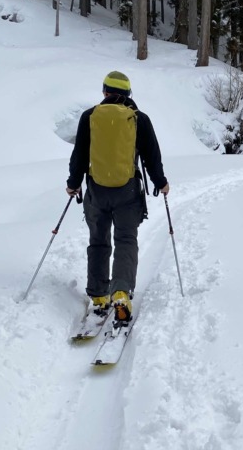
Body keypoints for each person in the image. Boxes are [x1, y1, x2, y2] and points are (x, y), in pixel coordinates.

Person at [67, 71, 169, 326]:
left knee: (98, 241)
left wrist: (72, 184)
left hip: (96, 190)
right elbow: (152, 157)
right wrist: (161, 183)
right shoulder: (138, 119)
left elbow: (80, 153)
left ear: (104, 92)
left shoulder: (89, 117)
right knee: (125, 240)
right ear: (128, 94)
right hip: (128, 191)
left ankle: (100, 296)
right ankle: (121, 292)